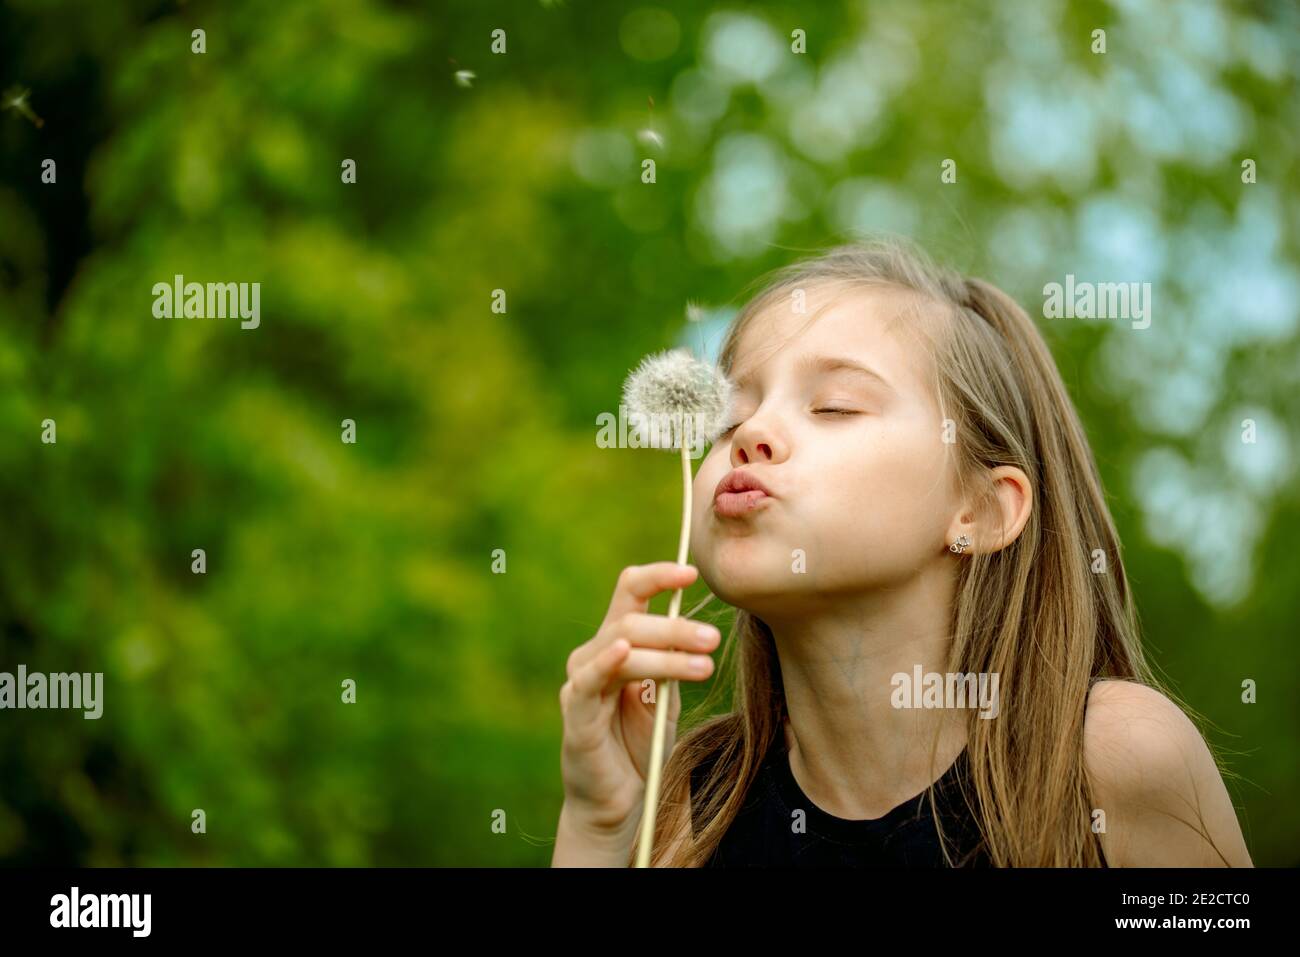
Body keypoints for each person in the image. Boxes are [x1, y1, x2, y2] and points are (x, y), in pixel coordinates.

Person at [553, 236, 1253, 868]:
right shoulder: (688, 809)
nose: (752, 431)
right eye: (732, 413)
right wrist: (600, 824)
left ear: (980, 509)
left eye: (833, 405)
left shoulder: (1110, 761)